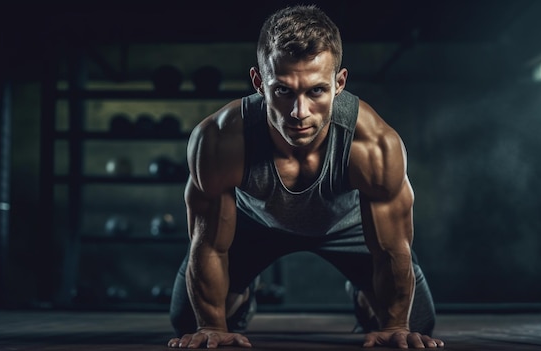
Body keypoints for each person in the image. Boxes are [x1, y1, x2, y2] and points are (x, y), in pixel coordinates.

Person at [167, 4, 444, 349]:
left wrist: (395, 323)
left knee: (416, 325)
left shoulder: (373, 144)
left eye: (316, 91)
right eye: (283, 90)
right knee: (189, 323)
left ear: (339, 82)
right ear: (259, 83)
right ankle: (241, 295)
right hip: (253, 225)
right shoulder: (220, 140)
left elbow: (392, 248)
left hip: (348, 229)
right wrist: (213, 324)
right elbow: (207, 243)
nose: (300, 112)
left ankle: (364, 298)